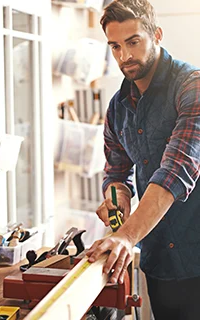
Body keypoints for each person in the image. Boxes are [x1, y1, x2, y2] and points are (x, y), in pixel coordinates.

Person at [85, 0, 200, 318]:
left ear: (157, 34)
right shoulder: (117, 108)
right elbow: (115, 172)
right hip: (158, 260)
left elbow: (177, 170)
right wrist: (116, 196)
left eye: (133, 42)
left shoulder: (192, 86)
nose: (125, 56)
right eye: (115, 46)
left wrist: (126, 235)